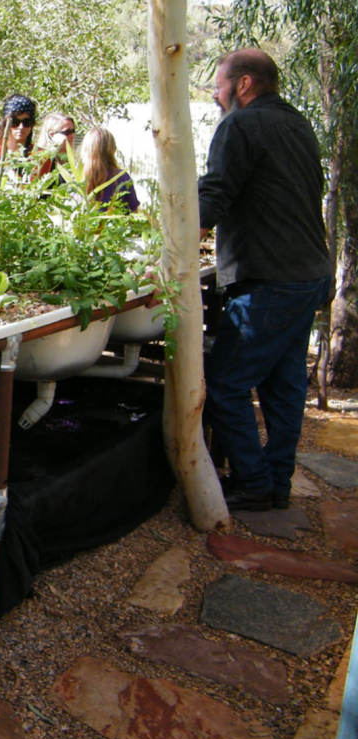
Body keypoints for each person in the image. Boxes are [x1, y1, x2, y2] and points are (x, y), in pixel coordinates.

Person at [198, 48, 333, 512]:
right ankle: (277, 483)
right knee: (284, 387)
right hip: (309, 274)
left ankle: (253, 482)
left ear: (243, 85)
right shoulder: (298, 124)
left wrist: (170, 255)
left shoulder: (240, 125)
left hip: (270, 279)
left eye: (218, 86)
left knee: (225, 384)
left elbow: (214, 194)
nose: (215, 96)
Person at [79, 126, 139, 212]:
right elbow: (134, 212)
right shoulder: (122, 177)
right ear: (112, 149)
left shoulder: (77, 178)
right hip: (117, 224)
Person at [0, 95, 37, 161]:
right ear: (6, 123)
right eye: (15, 122)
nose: (21, 127)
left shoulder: (43, 158)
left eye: (27, 122)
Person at [35, 112, 76, 177]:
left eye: (73, 131)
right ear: (52, 135)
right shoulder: (42, 161)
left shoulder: (72, 160)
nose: (72, 135)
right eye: (67, 132)